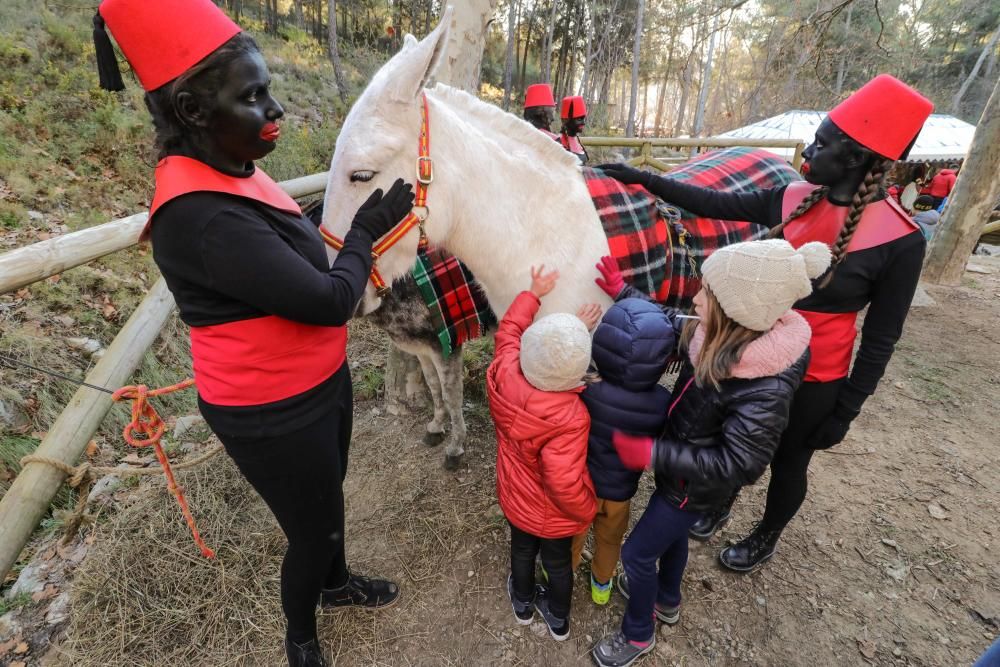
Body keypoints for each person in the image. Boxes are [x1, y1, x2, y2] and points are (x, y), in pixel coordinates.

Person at [93, 2, 414, 665]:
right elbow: (328, 299)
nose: (275, 110)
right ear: (192, 111)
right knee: (310, 525)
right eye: (254, 96)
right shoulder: (200, 217)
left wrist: (342, 211)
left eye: (268, 90)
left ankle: (336, 581)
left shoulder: (232, 165)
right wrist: (364, 231)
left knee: (329, 496)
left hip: (318, 380)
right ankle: (301, 637)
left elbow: (285, 236)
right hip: (271, 408)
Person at [598, 74, 934, 572]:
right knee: (725, 441)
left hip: (817, 376)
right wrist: (642, 177)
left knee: (788, 461)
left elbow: (882, 339)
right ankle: (718, 503)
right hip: (744, 356)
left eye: (820, 144)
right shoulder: (792, 196)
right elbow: (708, 202)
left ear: (854, 156)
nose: (809, 153)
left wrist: (846, 410)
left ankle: (766, 534)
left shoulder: (901, 240)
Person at [590, 240, 827, 667]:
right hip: (680, 475)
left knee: (637, 554)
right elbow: (665, 320)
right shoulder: (719, 330)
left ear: (737, 310)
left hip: (692, 487)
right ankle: (667, 599)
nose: (695, 297)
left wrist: (653, 453)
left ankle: (638, 633)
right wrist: (623, 292)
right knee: (674, 538)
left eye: (706, 293)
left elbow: (742, 463)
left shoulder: (763, 387)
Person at [489, 266, 600, 642]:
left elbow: (508, 332)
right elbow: (564, 482)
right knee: (556, 564)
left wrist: (533, 293)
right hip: (554, 515)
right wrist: (586, 511)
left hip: (515, 498)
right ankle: (558, 618)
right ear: (577, 373)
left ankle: (521, 603)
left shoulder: (505, 372)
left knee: (521, 551)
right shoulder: (571, 416)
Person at [571, 275, 676, 606]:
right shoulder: (662, 402)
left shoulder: (588, 387)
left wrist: (579, 328)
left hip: (582, 483)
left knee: (573, 535)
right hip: (620, 492)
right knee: (610, 538)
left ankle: (560, 570)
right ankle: (602, 583)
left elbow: (566, 360)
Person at [559, 95, 589, 163]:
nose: (583, 123)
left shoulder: (577, 139)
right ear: (566, 120)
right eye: (579, 119)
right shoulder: (559, 144)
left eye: (584, 118)